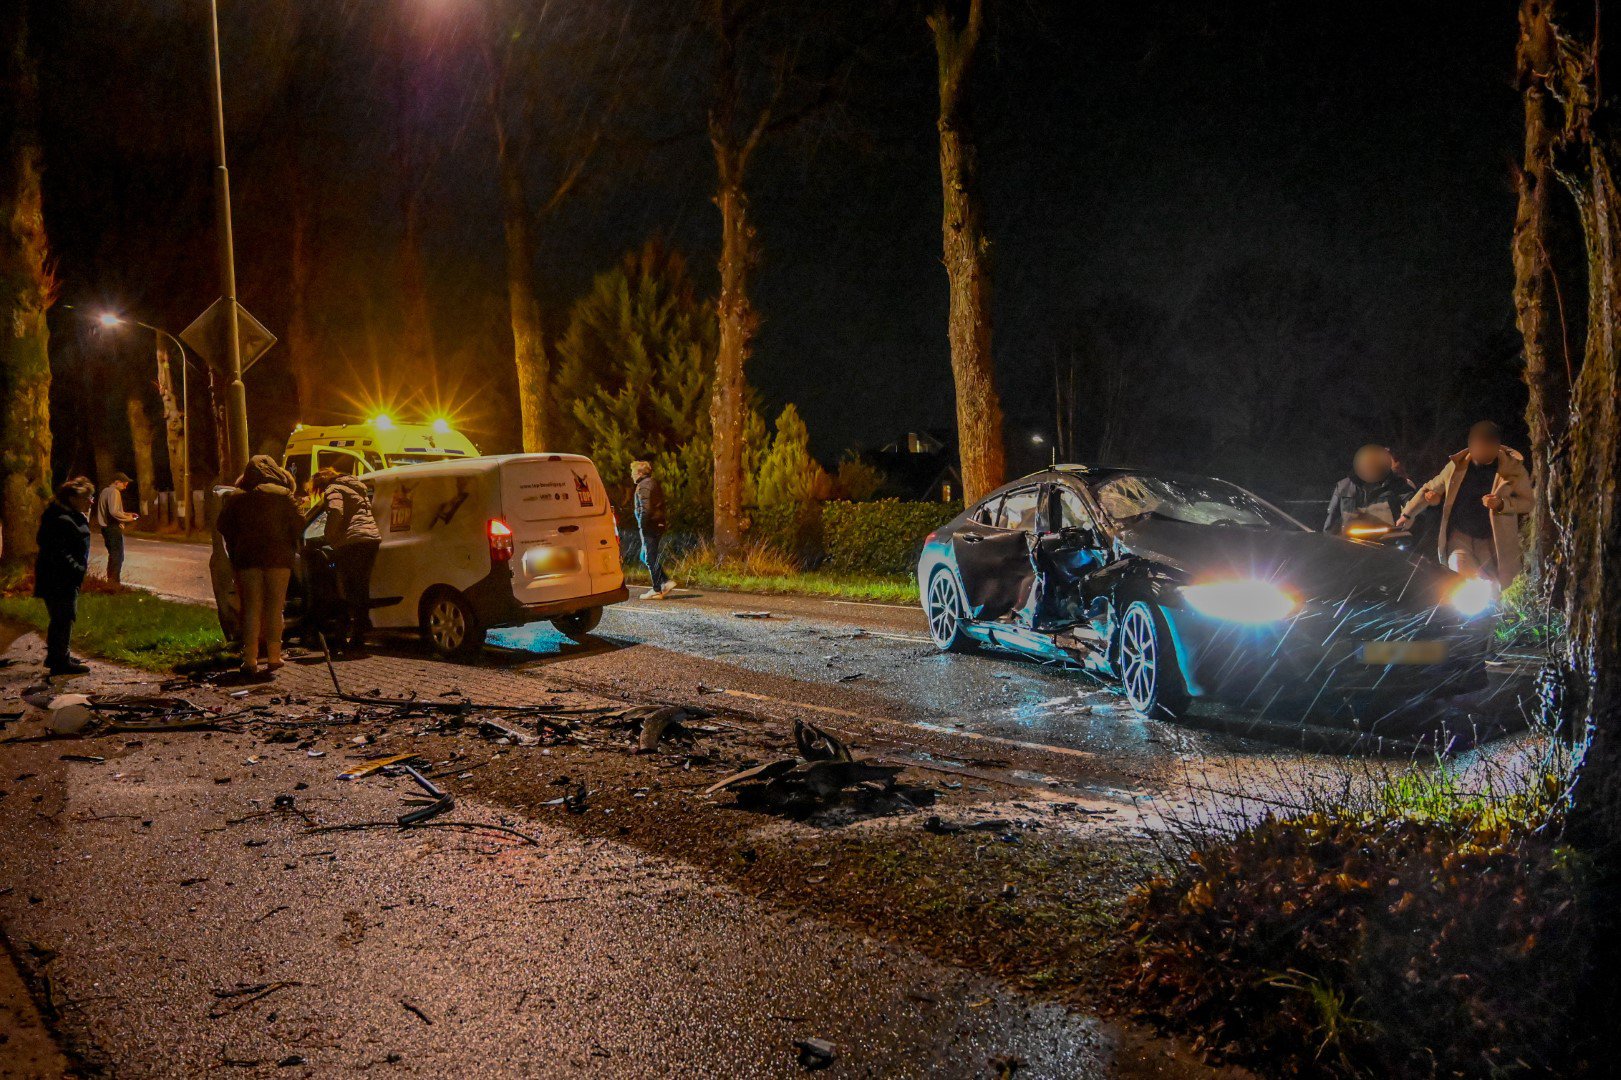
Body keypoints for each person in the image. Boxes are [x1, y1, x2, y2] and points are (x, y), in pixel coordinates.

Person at [1397, 421, 1533, 587]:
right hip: (1460, 537)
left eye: (1487, 445)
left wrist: (1502, 504)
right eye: (1477, 444)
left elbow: (1528, 502)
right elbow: (1429, 489)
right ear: (1470, 443)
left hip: (1491, 540)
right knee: (1460, 572)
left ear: (1497, 445)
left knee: (1493, 585)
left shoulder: (1512, 469)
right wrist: (1407, 514)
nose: (1481, 449)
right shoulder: (1456, 466)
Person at [216, 456, 303, 676]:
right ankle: (274, 657)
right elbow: (299, 523)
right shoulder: (284, 496)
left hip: (247, 559)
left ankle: (250, 659)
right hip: (279, 559)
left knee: (251, 608)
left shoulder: (238, 498)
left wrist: (238, 545)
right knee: (275, 607)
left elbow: (223, 525)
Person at [311, 467, 381, 651]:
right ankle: (360, 634)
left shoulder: (333, 489)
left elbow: (336, 512)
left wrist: (329, 537)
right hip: (371, 539)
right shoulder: (356, 487)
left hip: (352, 541)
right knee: (361, 586)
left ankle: (345, 637)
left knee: (346, 590)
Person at [34, 477, 96, 677]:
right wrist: (76, 569)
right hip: (59, 579)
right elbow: (59, 552)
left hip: (60, 577)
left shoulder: (66, 515)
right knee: (63, 617)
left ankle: (59, 656)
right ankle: (60, 661)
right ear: (72, 498)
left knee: (63, 617)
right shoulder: (61, 519)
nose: (91, 501)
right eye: (87, 497)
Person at [1323, 444, 1416, 534]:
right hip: (1350, 546)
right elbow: (1331, 525)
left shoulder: (1397, 484)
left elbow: (1415, 509)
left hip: (1387, 545)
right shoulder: (1343, 486)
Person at [631, 460, 675, 599]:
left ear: (639, 473)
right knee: (645, 556)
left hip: (650, 525)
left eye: (633, 472)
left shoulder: (644, 485)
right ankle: (665, 581)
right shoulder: (652, 483)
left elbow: (646, 509)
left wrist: (643, 525)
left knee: (649, 557)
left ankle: (657, 589)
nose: (631, 475)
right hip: (657, 524)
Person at [93, 473, 138, 585]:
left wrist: (127, 514)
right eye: (124, 483)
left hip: (105, 527)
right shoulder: (114, 492)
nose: (125, 486)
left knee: (113, 554)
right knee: (118, 555)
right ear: (116, 482)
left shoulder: (104, 491)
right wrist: (128, 518)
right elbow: (114, 512)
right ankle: (114, 582)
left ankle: (111, 581)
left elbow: (110, 510)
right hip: (113, 527)